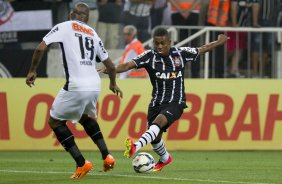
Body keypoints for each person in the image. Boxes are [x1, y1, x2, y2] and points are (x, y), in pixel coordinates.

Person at [104, 28, 228, 172]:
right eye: (157, 43)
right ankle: (165, 158)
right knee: (155, 139)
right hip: (156, 103)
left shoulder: (180, 53)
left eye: (163, 43)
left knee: (158, 123)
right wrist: (111, 68)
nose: (160, 46)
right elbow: (126, 65)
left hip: (176, 102)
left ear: (170, 41)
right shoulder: (149, 56)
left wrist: (219, 42)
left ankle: (135, 146)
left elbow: (202, 49)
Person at [26, 3, 123, 179]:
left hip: (76, 85)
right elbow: (110, 65)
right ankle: (107, 156)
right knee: (84, 117)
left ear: (71, 14)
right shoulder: (93, 33)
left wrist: (33, 70)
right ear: (86, 18)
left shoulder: (64, 26)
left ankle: (81, 163)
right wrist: (113, 83)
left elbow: (41, 47)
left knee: (55, 122)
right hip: (94, 85)